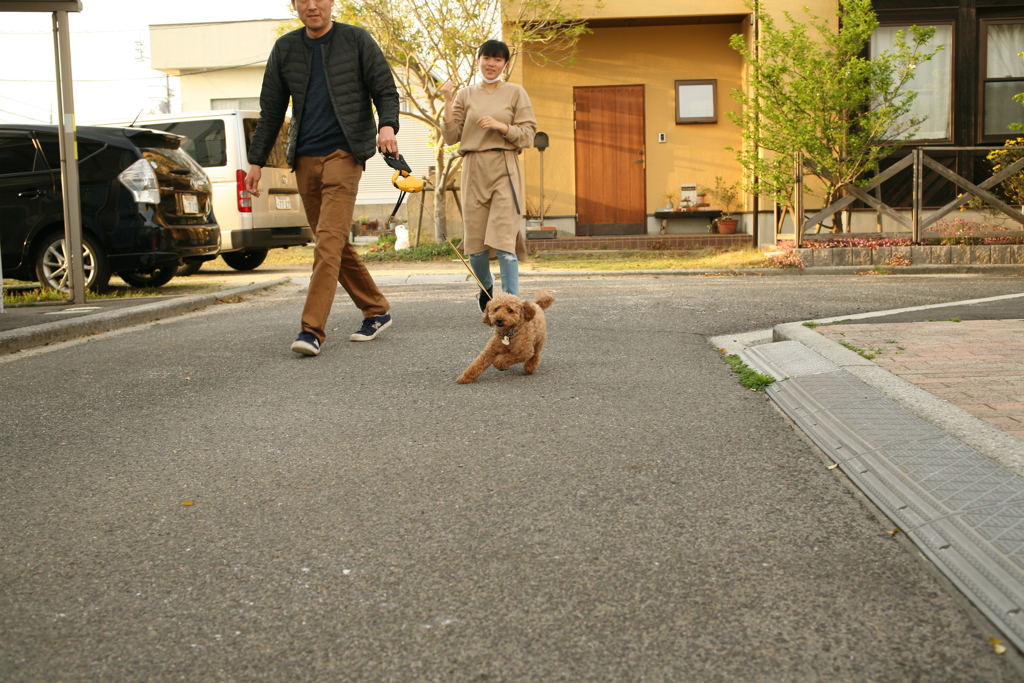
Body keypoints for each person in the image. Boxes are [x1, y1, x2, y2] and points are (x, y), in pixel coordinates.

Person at [246, 0, 399, 356]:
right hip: (304, 158)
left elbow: (385, 90)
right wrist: (256, 162)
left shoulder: (356, 40)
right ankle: (376, 310)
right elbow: (271, 111)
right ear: (295, 5)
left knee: (327, 243)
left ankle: (311, 330)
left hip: (345, 154)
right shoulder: (285, 48)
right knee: (333, 243)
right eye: (303, 0)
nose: (311, 5)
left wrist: (387, 125)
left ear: (332, 2)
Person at [442, 40, 537, 311]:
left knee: (505, 242)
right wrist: (448, 100)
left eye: (498, 59)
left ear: (505, 64)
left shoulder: (516, 92)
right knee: (475, 246)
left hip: (505, 167)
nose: (491, 64)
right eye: (487, 58)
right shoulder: (466, 95)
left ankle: (511, 305)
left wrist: (501, 126)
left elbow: (528, 133)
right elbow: (450, 136)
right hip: (473, 168)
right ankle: (486, 288)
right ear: (479, 60)